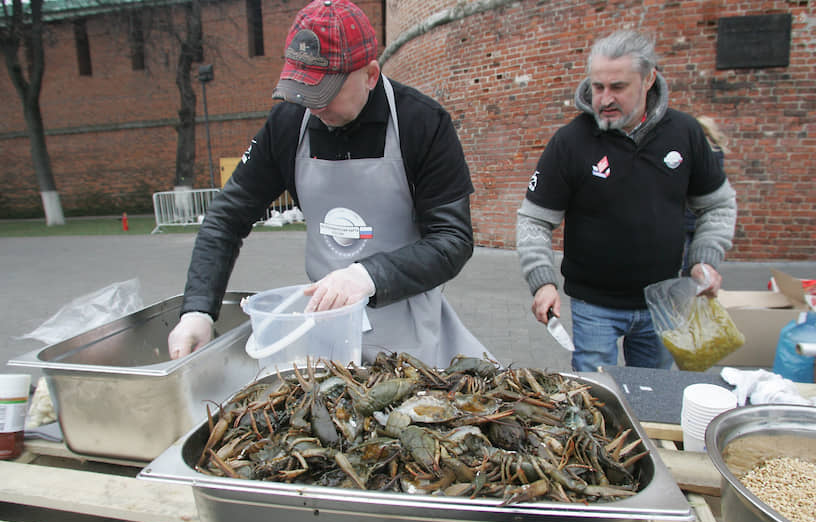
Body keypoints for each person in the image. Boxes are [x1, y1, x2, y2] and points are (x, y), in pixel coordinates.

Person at [167, 0, 489, 366]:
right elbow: (226, 219)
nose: (312, 106)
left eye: (325, 92)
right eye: (303, 90)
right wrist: (197, 309)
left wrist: (367, 276)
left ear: (370, 74)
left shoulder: (423, 123)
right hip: (326, 333)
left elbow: (452, 240)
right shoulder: (288, 124)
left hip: (410, 337)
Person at [516, 30, 737, 372]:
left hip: (662, 303)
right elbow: (534, 220)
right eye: (597, 87)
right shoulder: (571, 141)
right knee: (597, 402)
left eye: (617, 87)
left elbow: (716, 206)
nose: (604, 99)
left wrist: (704, 259)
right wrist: (542, 281)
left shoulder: (686, 133)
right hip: (594, 307)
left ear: (649, 78)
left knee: (650, 398)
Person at [683, 115, 728, 275]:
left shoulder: (703, 153)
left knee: (690, 253)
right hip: (697, 213)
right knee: (695, 250)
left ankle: (691, 278)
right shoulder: (716, 151)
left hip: (692, 212)